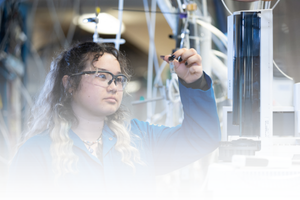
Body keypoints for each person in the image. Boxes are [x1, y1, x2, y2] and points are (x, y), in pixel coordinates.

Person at [6, 41, 221, 200]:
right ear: (69, 83)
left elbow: (202, 139)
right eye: (101, 76)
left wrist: (194, 83)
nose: (113, 85)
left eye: (118, 78)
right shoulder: (36, 153)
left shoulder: (139, 139)